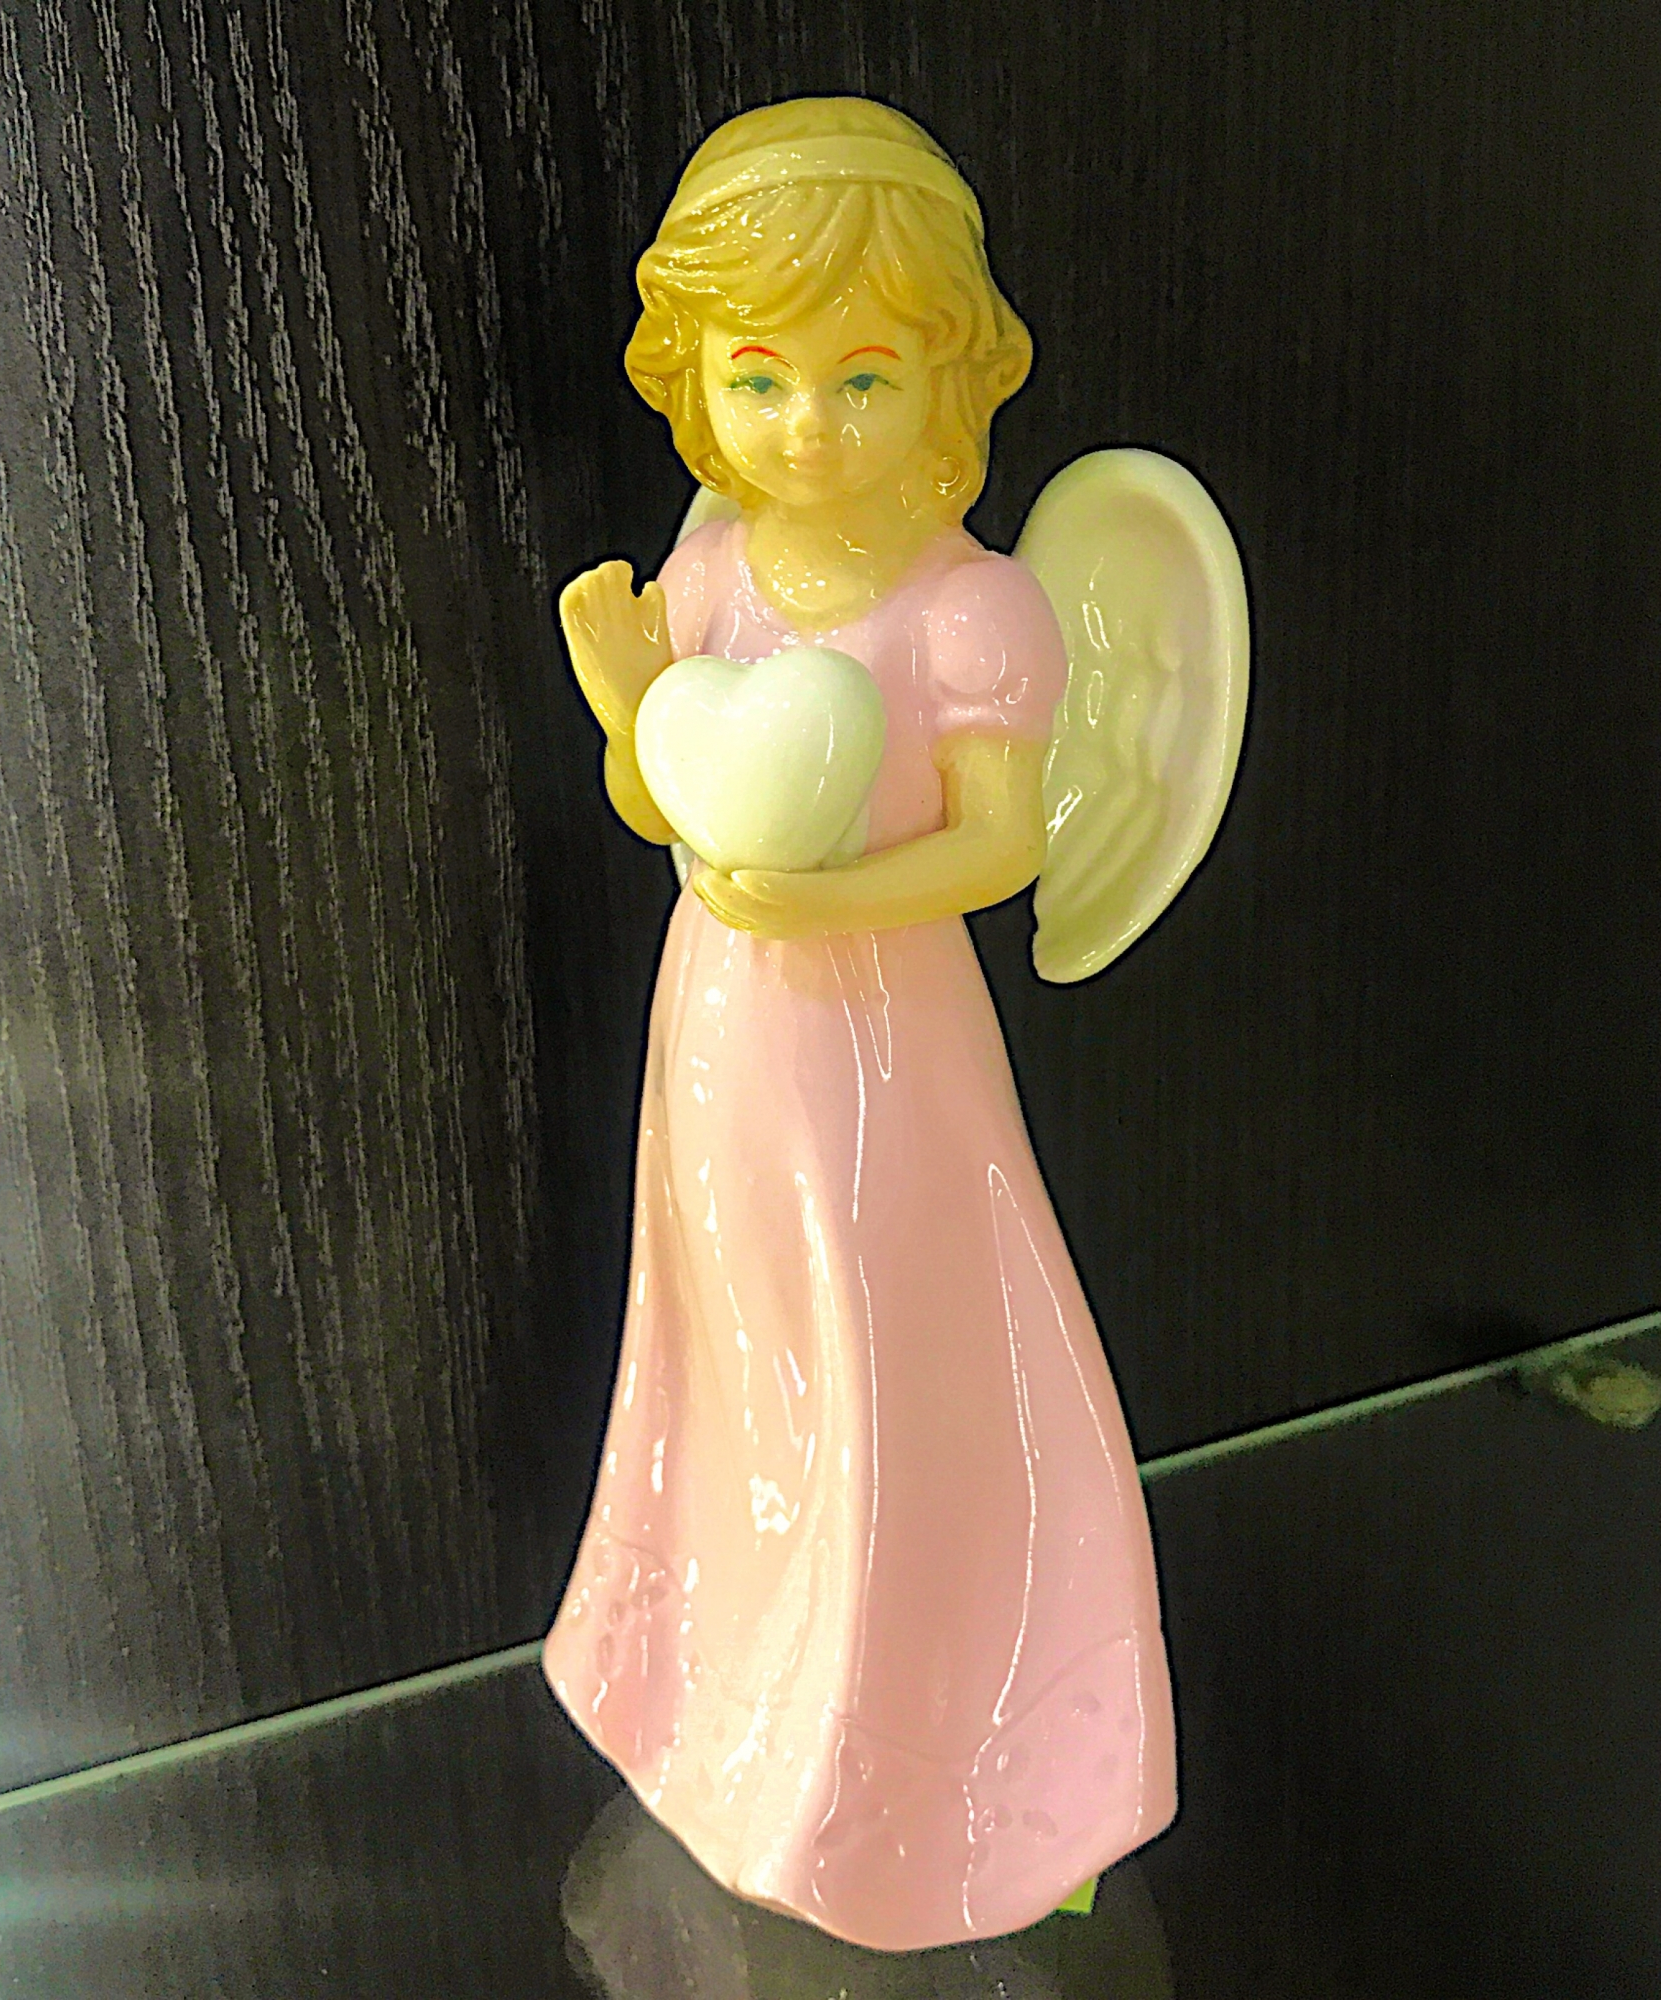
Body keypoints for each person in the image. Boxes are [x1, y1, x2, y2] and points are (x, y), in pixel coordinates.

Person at [543, 96, 1175, 1954]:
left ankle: (945, 1758)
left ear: (949, 383)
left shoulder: (973, 610)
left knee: (893, 1369)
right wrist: (625, 703)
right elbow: (666, 799)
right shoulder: (714, 568)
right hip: (720, 1039)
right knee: (733, 1347)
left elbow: (995, 845)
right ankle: (723, 1704)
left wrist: (812, 904)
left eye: (863, 379)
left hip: (882, 1052)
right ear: (698, 383)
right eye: (761, 379)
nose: (806, 424)